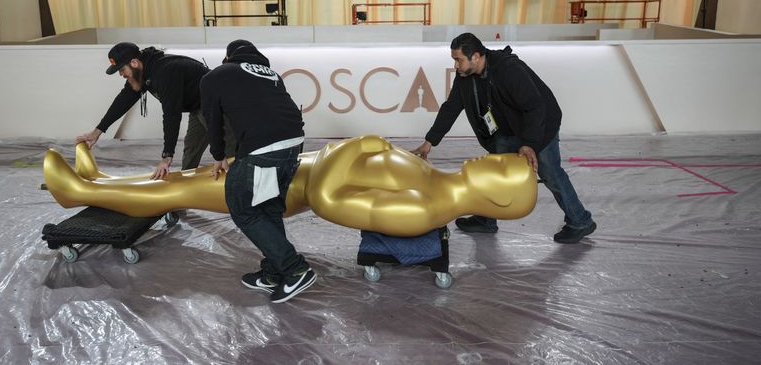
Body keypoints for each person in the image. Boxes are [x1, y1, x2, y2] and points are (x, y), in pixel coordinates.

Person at [43, 135, 537, 237]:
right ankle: (102, 180)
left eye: (500, 167)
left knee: (178, 191)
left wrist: (346, 150)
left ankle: (79, 193)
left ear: (497, 197)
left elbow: (329, 202)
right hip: (287, 167)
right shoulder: (435, 180)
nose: (491, 156)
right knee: (191, 178)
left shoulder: (425, 209)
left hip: (285, 190)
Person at [412, 32, 596, 244]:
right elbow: (452, 107)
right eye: (454, 60)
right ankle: (486, 219)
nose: (455, 66)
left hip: (539, 125)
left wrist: (530, 144)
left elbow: (535, 107)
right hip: (505, 129)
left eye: (458, 60)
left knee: (550, 172)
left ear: (476, 56)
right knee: (494, 172)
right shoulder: (465, 77)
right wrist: (430, 141)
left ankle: (580, 221)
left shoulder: (508, 70)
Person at [201, 39, 313, 303]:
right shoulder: (271, 74)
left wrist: (218, 155)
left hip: (265, 148)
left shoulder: (215, 76)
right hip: (294, 143)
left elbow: (212, 120)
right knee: (268, 207)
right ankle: (273, 273)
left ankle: (295, 269)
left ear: (227, 57)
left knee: (243, 207)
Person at [76, 42, 234, 180]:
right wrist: (97, 132)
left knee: (229, 151)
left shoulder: (165, 72)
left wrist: (166, 157)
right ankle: (184, 188)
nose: (121, 74)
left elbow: (171, 114)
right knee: (191, 148)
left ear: (134, 63)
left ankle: (241, 188)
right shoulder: (144, 73)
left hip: (218, 105)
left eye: (122, 69)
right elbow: (123, 101)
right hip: (197, 105)